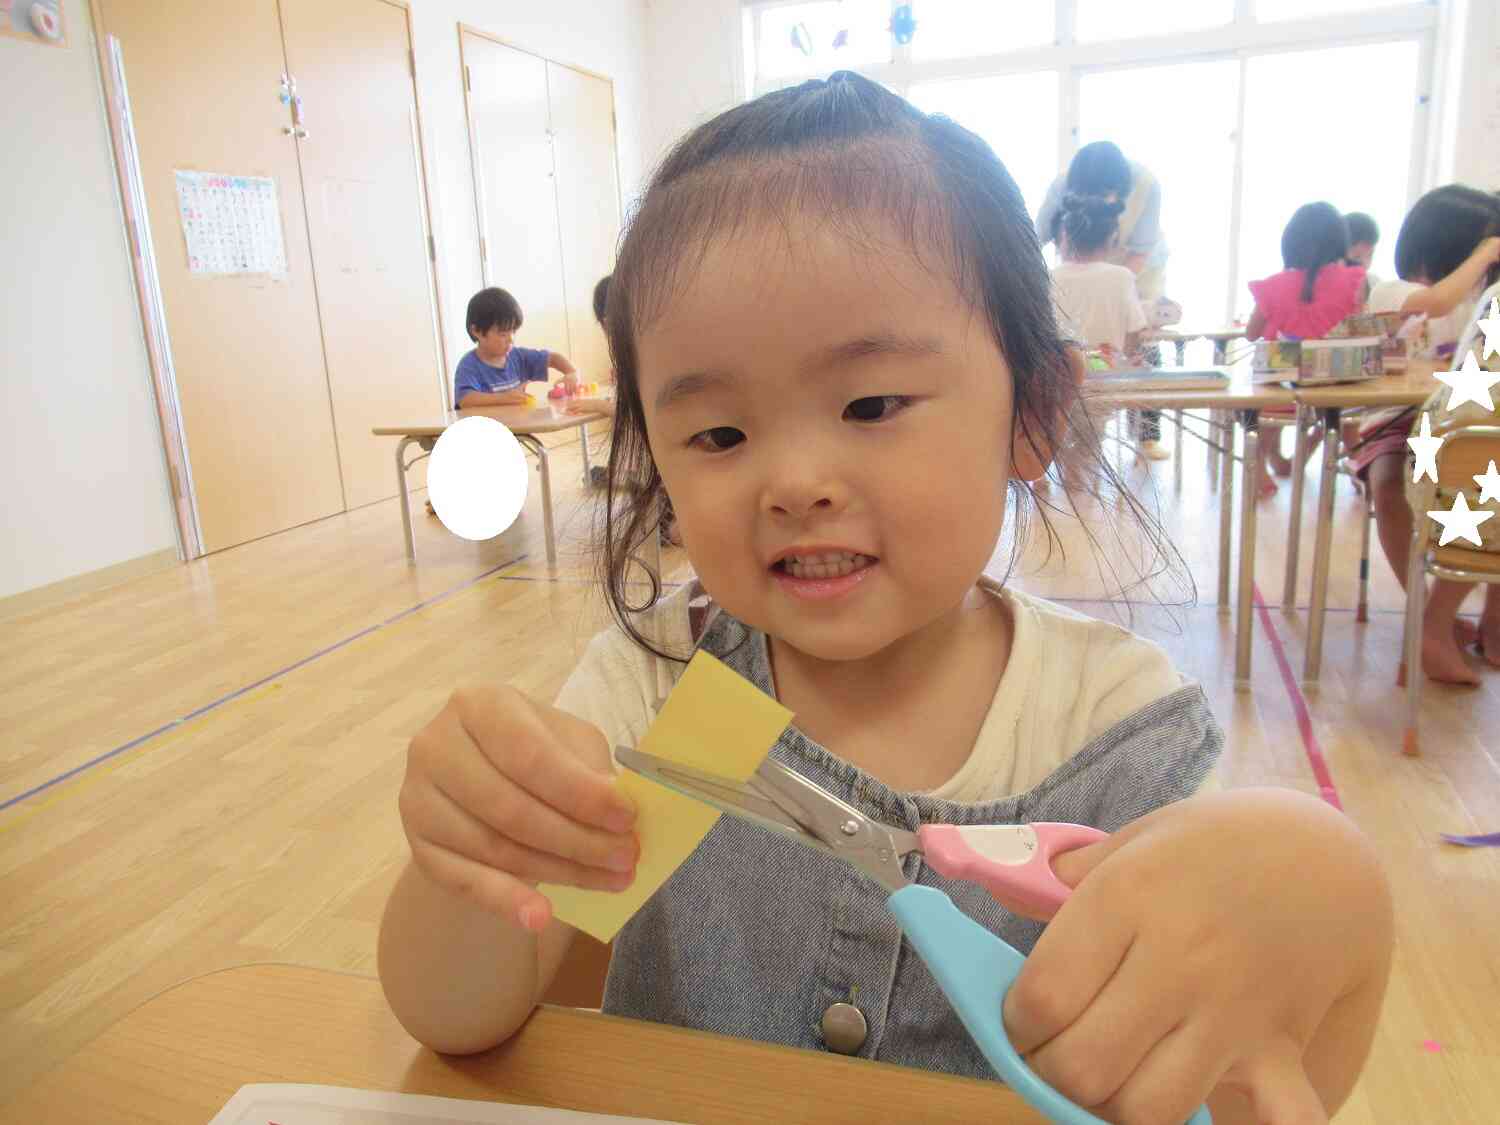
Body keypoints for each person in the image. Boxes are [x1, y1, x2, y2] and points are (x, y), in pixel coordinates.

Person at [380, 73, 1392, 1123]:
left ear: (1033, 413)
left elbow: (1255, 1090)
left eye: (871, 404)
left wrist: (1321, 887)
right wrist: (469, 858)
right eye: (719, 434)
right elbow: (454, 1018)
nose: (794, 482)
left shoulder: (1105, 726)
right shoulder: (671, 697)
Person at [1345, 185, 1500, 682]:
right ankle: (1429, 612)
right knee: (1391, 485)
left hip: (1453, 425)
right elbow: (1435, 302)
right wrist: (1485, 254)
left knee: (1484, 469)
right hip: (1392, 420)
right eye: (1475, 246)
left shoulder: (1483, 298)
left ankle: (1484, 622)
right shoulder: (1397, 290)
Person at [1038, 142, 1171, 460]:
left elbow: (1141, 251)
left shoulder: (1146, 185)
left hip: (1133, 272)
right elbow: (1035, 237)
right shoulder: (1062, 184)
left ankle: (1147, 434)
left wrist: (1107, 284)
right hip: (1085, 275)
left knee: (1146, 350)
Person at [1245, 203, 1366, 491]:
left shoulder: (1274, 285)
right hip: (1337, 385)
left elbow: (1251, 334)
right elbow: (1360, 327)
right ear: (1340, 242)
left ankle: (1260, 464)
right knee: (1347, 419)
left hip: (1283, 387)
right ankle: (1361, 470)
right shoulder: (1354, 280)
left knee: (1267, 397)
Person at [452, 287, 578, 411]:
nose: (511, 339)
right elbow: (466, 400)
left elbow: (553, 358)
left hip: (517, 428)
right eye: (503, 334)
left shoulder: (517, 356)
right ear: (477, 331)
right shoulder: (469, 365)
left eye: (513, 332)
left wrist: (571, 372)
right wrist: (504, 398)